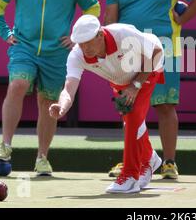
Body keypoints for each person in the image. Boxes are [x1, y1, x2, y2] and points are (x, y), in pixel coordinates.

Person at [0, 0, 100, 175]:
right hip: (24, 46)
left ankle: (42, 158)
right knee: (18, 84)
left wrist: (77, 38)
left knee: (48, 103)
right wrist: (5, 32)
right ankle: (5, 145)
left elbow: (93, 9)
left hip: (56, 53)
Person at [104, 0, 196, 179]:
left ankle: (169, 162)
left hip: (163, 49)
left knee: (164, 105)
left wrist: (182, 18)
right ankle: (132, 160)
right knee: (128, 108)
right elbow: (110, 18)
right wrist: (110, 50)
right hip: (128, 51)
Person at [49, 15, 164, 193]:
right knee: (132, 122)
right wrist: (62, 106)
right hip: (120, 80)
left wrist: (136, 85)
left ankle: (130, 176)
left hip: (148, 67)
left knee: (133, 116)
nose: (84, 48)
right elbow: (69, 89)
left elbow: (156, 52)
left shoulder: (122, 34)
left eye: (88, 42)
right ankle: (150, 158)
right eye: (80, 43)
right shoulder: (77, 56)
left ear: (100, 35)